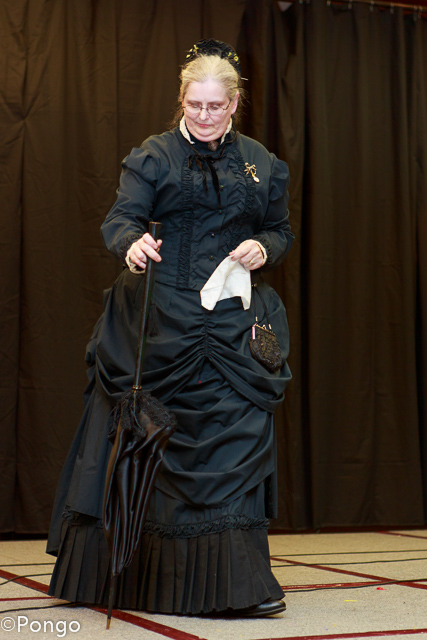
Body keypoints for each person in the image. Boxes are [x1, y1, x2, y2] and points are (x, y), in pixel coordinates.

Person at [47, 39, 294, 618]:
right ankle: (128, 579)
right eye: (194, 105)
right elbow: (121, 218)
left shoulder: (261, 162)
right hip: (158, 321)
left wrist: (264, 247)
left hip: (231, 322)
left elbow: (280, 230)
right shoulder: (153, 156)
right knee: (142, 442)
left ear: (234, 104)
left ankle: (231, 587)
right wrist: (131, 244)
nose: (204, 116)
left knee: (234, 439)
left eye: (215, 106)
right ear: (181, 100)